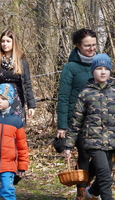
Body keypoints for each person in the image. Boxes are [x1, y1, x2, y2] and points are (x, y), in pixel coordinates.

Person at [64, 54, 114, 200]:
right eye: (99, 68)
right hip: (93, 141)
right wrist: (68, 146)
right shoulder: (85, 94)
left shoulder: (114, 92)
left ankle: (90, 193)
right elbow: (76, 122)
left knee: (106, 176)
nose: (103, 72)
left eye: (106, 68)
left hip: (111, 141)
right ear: (93, 71)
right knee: (105, 177)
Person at [56, 28, 97, 199]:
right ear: (78, 46)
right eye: (87, 45)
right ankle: (81, 194)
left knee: (103, 155)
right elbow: (63, 97)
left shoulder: (101, 64)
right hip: (77, 119)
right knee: (84, 155)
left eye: (94, 45)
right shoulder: (70, 68)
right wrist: (62, 126)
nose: (91, 49)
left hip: (98, 120)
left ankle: (88, 188)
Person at [0, 29, 36, 124]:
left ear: (13, 43)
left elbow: (27, 84)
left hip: (16, 101)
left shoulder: (21, 61)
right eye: (3, 41)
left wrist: (31, 105)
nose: (5, 44)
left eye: (8, 41)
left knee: (15, 130)